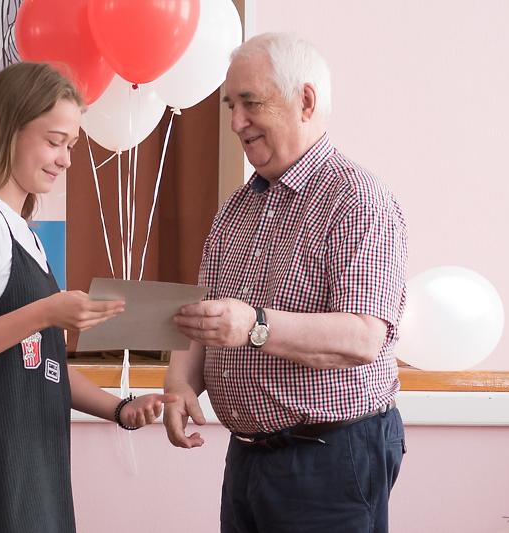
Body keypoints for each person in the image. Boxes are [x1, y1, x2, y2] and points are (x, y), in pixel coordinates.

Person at [0, 62, 175, 533]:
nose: (66, 160)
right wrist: (45, 312)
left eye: (70, 146)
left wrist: (119, 408)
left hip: (29, 477)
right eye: (55, 142)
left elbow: (41, 366)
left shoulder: (23, 234)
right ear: (7, 130)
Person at [163, 33, 408, 533]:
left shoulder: (358, 199)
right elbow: (205, 315)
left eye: (251, 103)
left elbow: (363, 337)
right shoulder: (237, 206)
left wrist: (255, 325)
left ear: (306, 101)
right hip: (248, 456)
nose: (236, 122)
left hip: (330, 457)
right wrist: (180, 383)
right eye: (231, 106)